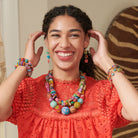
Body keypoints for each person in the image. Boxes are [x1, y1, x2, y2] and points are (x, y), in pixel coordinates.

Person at [0, 5, 138, 138]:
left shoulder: (103, 94)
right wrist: (24, 66)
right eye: (56, 35)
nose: (64, 44)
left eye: (73, 35)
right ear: (46, 42)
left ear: (86, 41)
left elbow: (135, 112)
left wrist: (106, 62)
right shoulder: (28, 92)